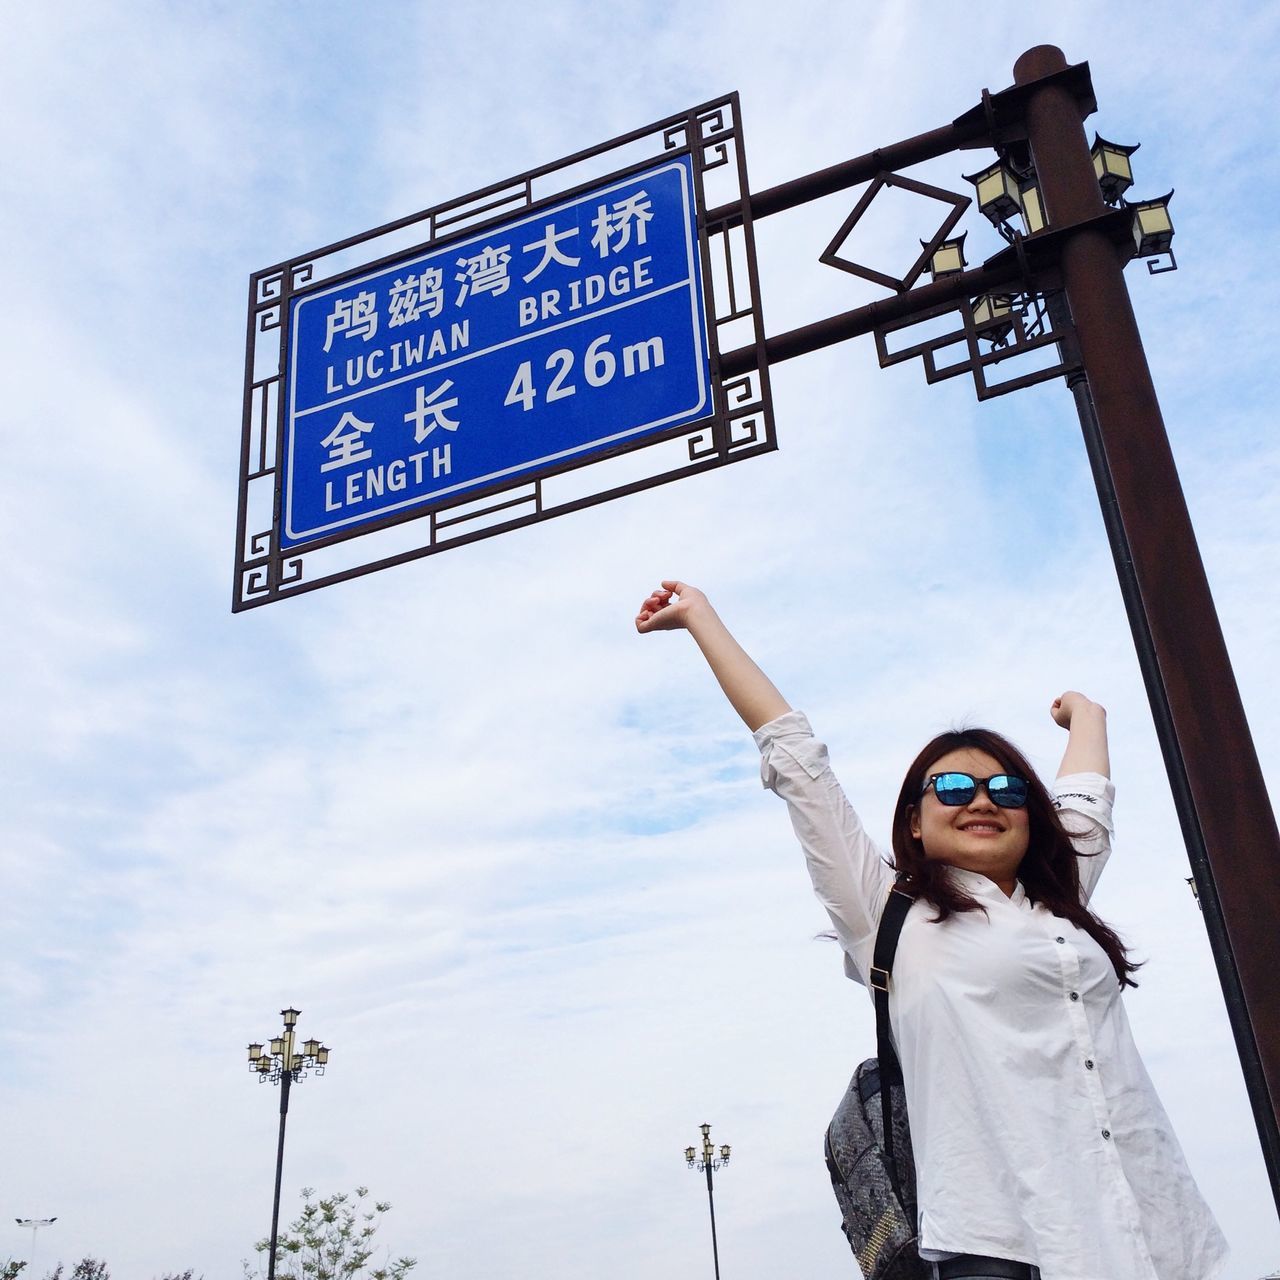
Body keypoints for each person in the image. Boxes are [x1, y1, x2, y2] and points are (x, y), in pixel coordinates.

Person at [635, 580, 1228, 1280]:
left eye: (1007, 791)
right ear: (915, 820)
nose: (983, 800)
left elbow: (1087, 806)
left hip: (1154, 1231)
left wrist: (1089, 718)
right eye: (953, 789)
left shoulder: (1060, 897)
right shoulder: (890, 915)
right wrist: (701, 619)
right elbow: (798, 762)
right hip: (1004, 1249)